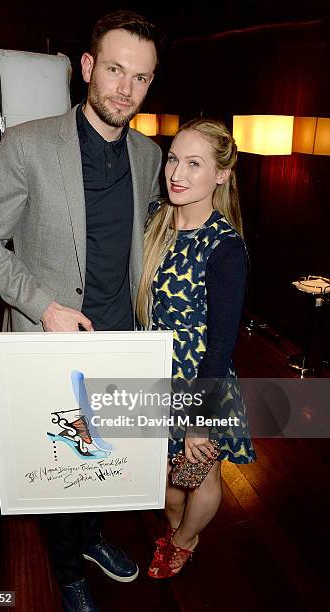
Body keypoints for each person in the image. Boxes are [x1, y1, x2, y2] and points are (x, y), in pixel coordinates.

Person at [0, 10, 162, 612]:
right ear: (87, 68)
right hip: (49, 341)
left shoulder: (151, 156)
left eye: (142, 78)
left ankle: (95, 539)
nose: (125, 89)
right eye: (116, 71)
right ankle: (68, 567)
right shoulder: (25, 144)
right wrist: (42, 305)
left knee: (108, 458)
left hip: (120, 340)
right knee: (62, 468)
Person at [136, 118, 256, 579]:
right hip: (155, 376)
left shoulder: (223, 248)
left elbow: (221, 344)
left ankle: (184, 541)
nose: (176, 173)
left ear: (221, 175)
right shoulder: (155, 221)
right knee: (166, 480)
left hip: (199, 380)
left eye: (194, 163)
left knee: (201, 474)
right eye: (172, 159)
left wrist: (198, 421)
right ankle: (176, 527)